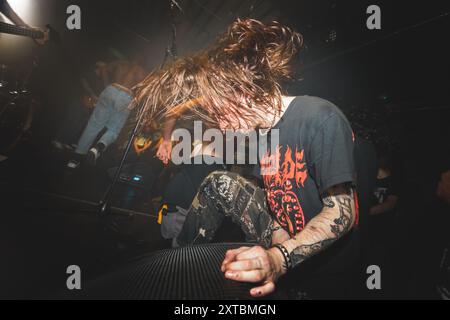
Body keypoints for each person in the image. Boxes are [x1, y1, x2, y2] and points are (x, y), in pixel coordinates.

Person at [134, 19, 358, 299]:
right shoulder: (261, 136)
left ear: (245, 92)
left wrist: (278, 259)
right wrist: (276, 236)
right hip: (283, 244)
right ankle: (179, 268)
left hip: (324, 269)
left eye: (222, 114)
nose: (222, 126)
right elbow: (272, 199)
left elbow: (343, 212)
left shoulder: (320, 117)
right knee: (219, 182)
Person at [67, 57, 146, 168]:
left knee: (93, 126)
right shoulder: (141, 71)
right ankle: (97, 148)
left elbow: (104, 68)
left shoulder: (122, 63)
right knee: (114, 130)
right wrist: (136, 100)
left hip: (111, 90)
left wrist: (107, 85)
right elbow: (145, 89)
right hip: (126, 96)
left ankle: (74, 160)